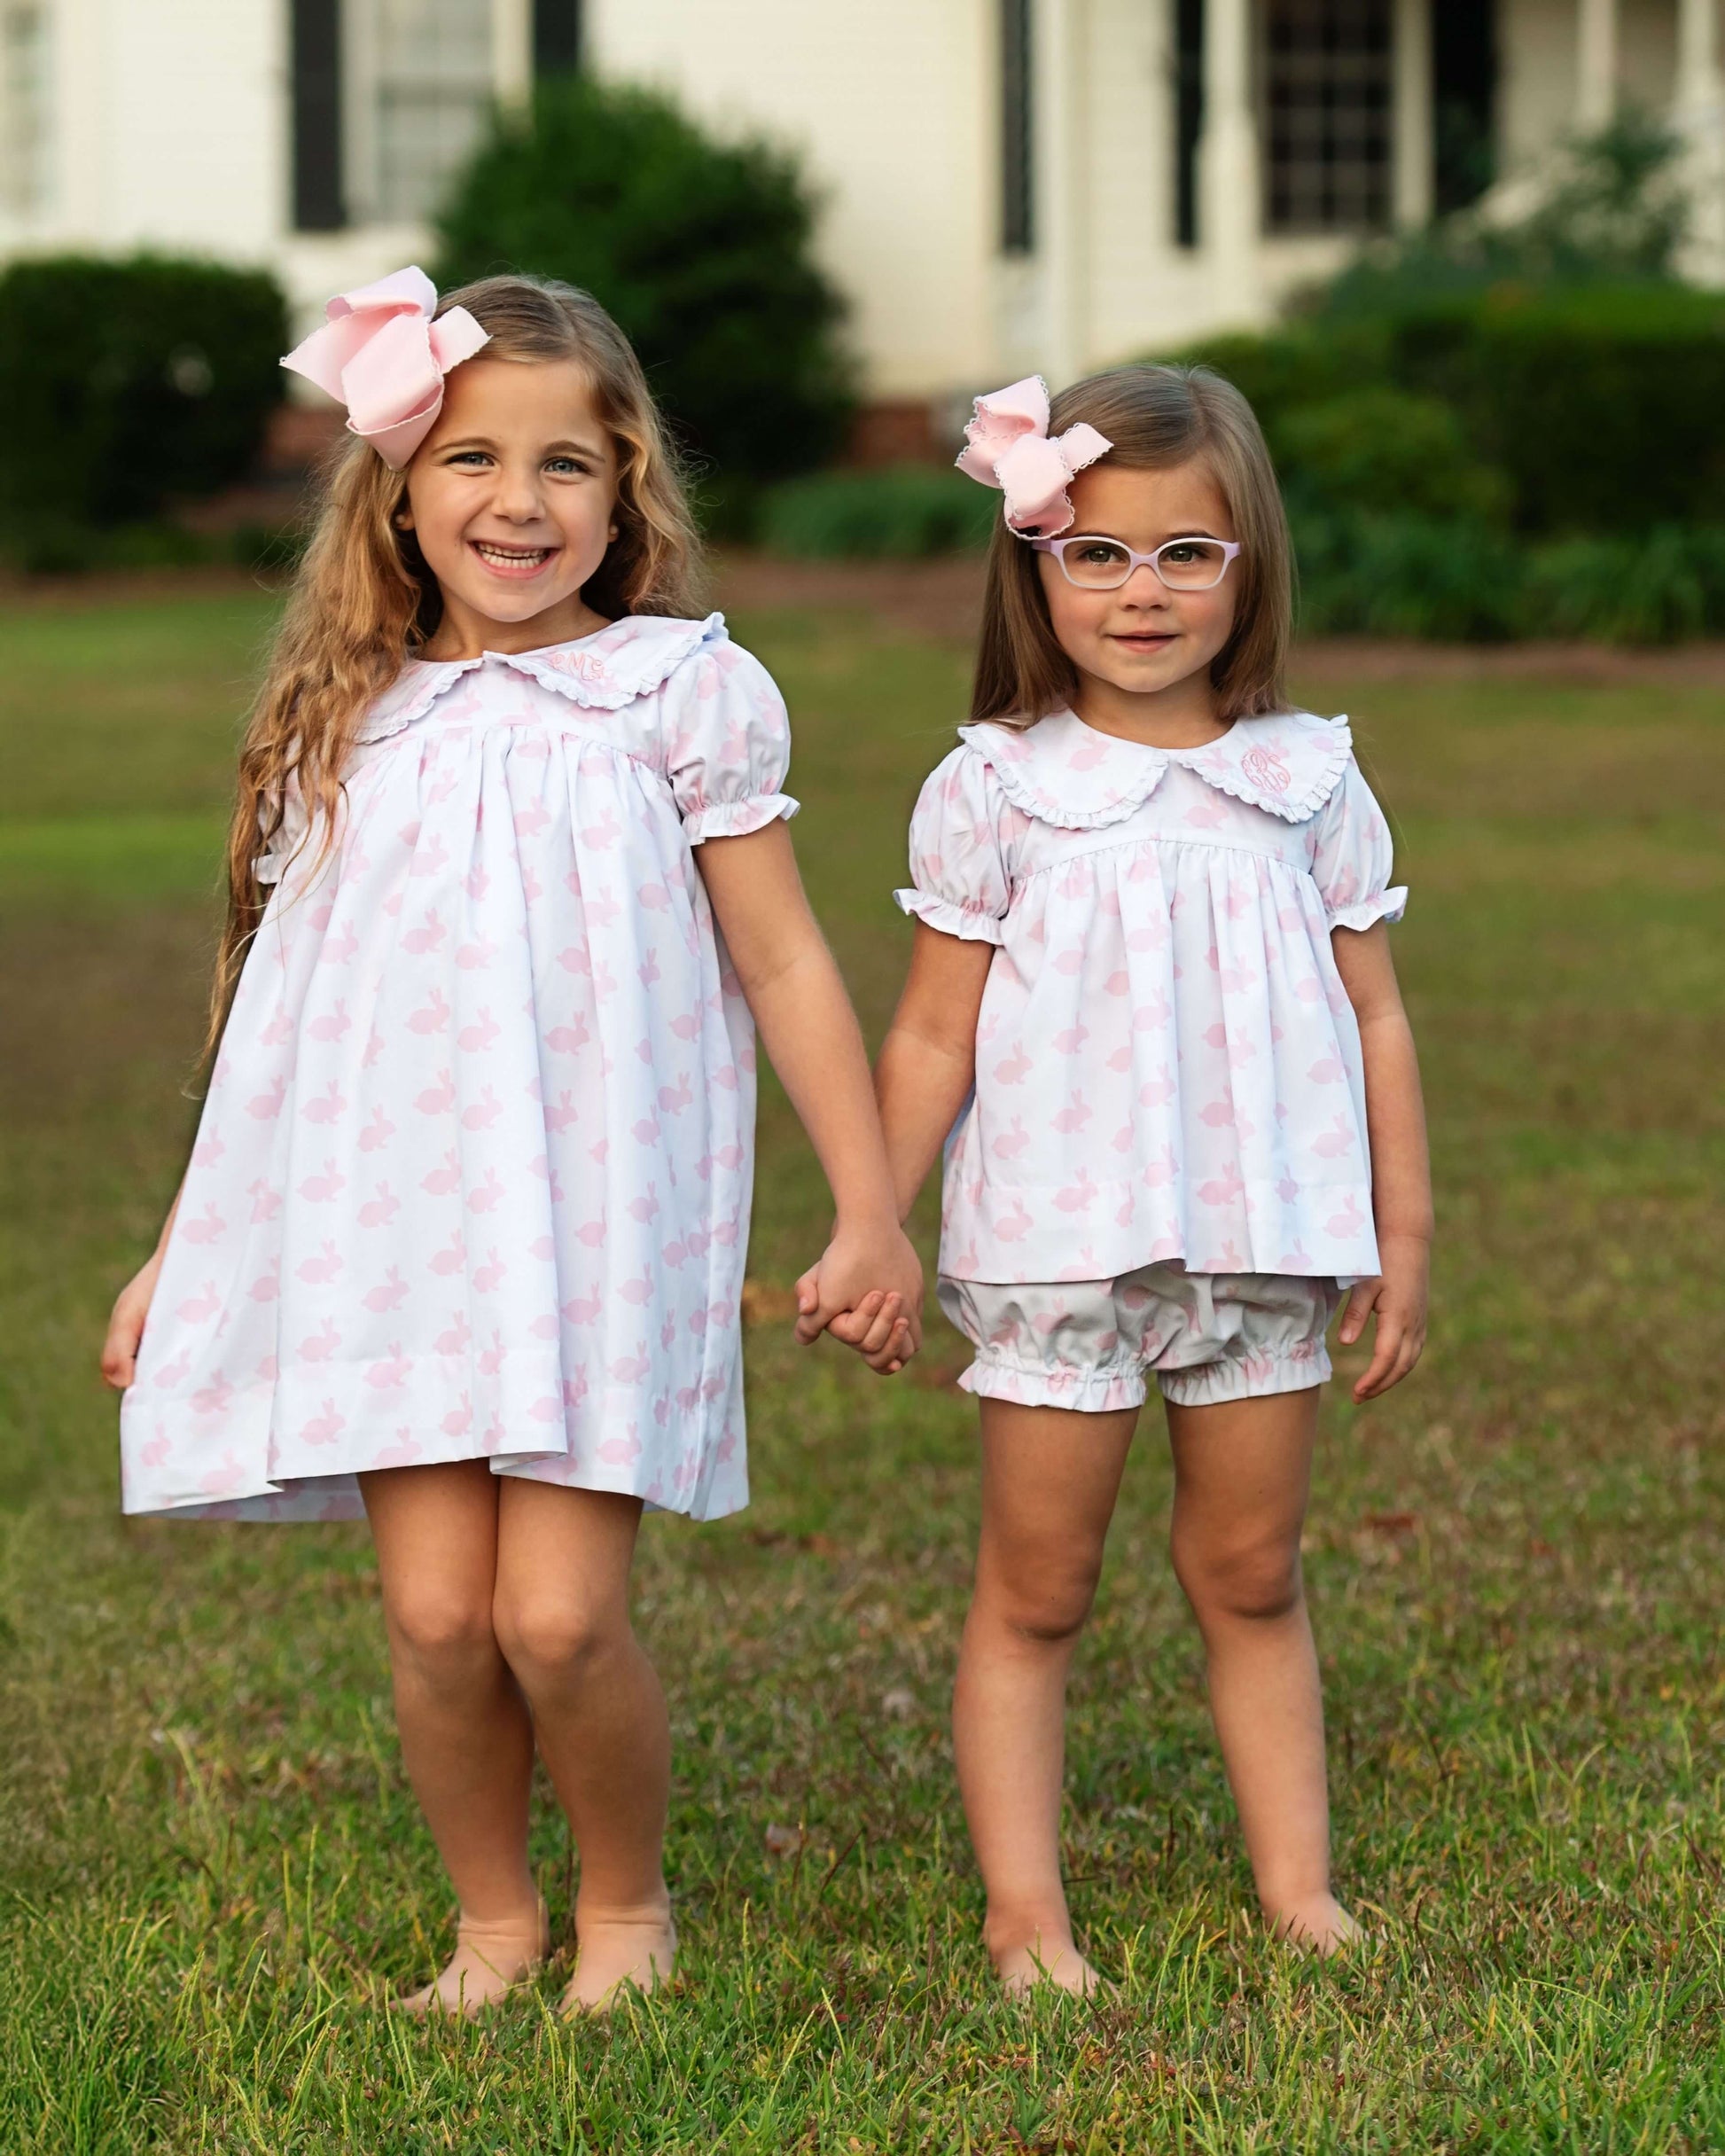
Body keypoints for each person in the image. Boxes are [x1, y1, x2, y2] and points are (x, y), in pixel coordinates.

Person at [101, 269, 921, 2017]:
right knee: (433, 1620)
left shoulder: (676, 695)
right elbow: (274, 1027)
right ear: (395, 487)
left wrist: (866, 1209)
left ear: (626, 492)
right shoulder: (341, 720)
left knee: (554, 1618)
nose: (517, 501)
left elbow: (779, 953)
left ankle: (624, 1904)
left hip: (600, 1216)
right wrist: (188, 1249)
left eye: (567, 463)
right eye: (471, 458)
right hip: (389, 1226)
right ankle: (494, 1921)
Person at [872, 368, 1431, 1991]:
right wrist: (871, 1226)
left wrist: (1397, 1235)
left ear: (1249, 565)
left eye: (1188, 554)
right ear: (1033, 564)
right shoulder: (996, 787)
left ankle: (1298, 1886)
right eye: (1097, 553)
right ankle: (1024, 1911)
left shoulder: (1307, 782)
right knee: (1037, 1589)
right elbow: (925, 1036)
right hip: (1060, 1255)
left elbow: (1377, 1020)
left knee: (1251, 1571)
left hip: (1260, 1247)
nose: (1141, 592)